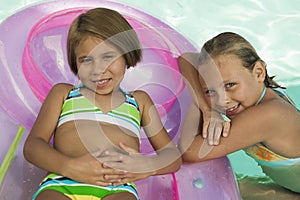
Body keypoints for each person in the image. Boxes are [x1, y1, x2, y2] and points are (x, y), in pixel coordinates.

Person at [23, 7, 181, 200]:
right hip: (63, 183)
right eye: (86, 60)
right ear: (75, 63)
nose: (98, 69)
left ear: (126, 54)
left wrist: (147, 167)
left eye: (108, 57)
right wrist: (69, 166)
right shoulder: (64, 94)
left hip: (117, 189)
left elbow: (172, 157)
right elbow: (33, 146)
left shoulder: (139, 102)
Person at [178, 32, 300, 197]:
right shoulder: (257, 95)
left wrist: (197, 104)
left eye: (230, 85)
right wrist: (208, 110)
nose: (222, 100)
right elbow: (186, 60)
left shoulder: (270, 115)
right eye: (210, 91)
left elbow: (190, 152)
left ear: (259, 73)